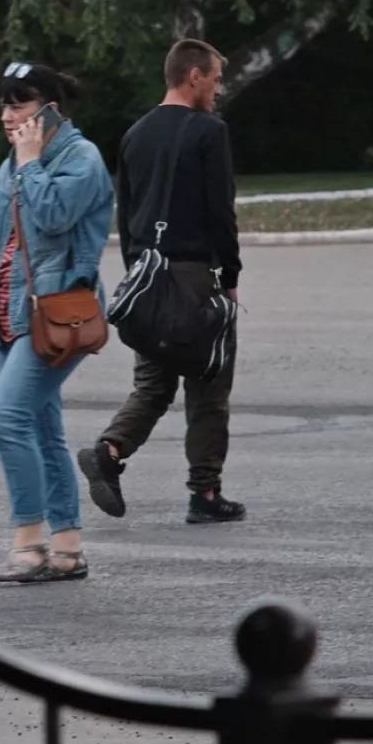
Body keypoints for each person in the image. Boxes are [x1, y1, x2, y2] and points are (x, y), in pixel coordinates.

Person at [0, 63, 113, 583]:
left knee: (6, 418)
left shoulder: (82, 159)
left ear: (50, 108)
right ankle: (68, 548)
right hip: (13, 317)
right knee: (41, 426)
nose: (8, 116)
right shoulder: (18, 161)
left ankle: (29, 541)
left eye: (20, 104)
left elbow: (54, 215)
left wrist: (30, 163)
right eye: (5, 105)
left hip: (60, 317)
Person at [76, 39, 247, 526]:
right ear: (193, 76)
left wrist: (138, 270)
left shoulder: (134, 135)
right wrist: (230, 276)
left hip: (146, 275)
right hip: (196, 274)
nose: (218, 88)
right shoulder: (210, 132)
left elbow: (126, 211)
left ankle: (110, 451)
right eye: (215, 78)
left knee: (152, 383)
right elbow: (221, 212)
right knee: (209, 385)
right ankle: (205, 493)